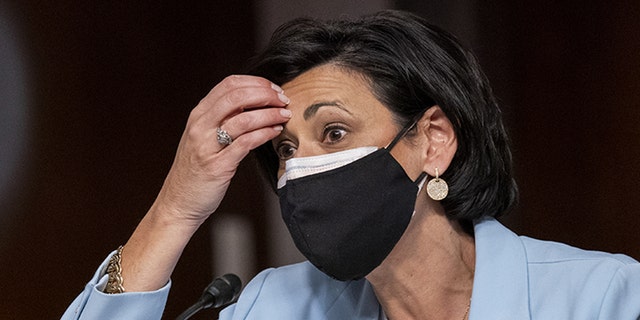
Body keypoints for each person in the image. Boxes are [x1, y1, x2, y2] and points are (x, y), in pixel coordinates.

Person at [62, 10, 640, 319]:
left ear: (433, 140)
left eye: (333, 132)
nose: (301, 167)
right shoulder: (273, 307)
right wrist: (175, 209)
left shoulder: (604, 297)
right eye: (286, 149)